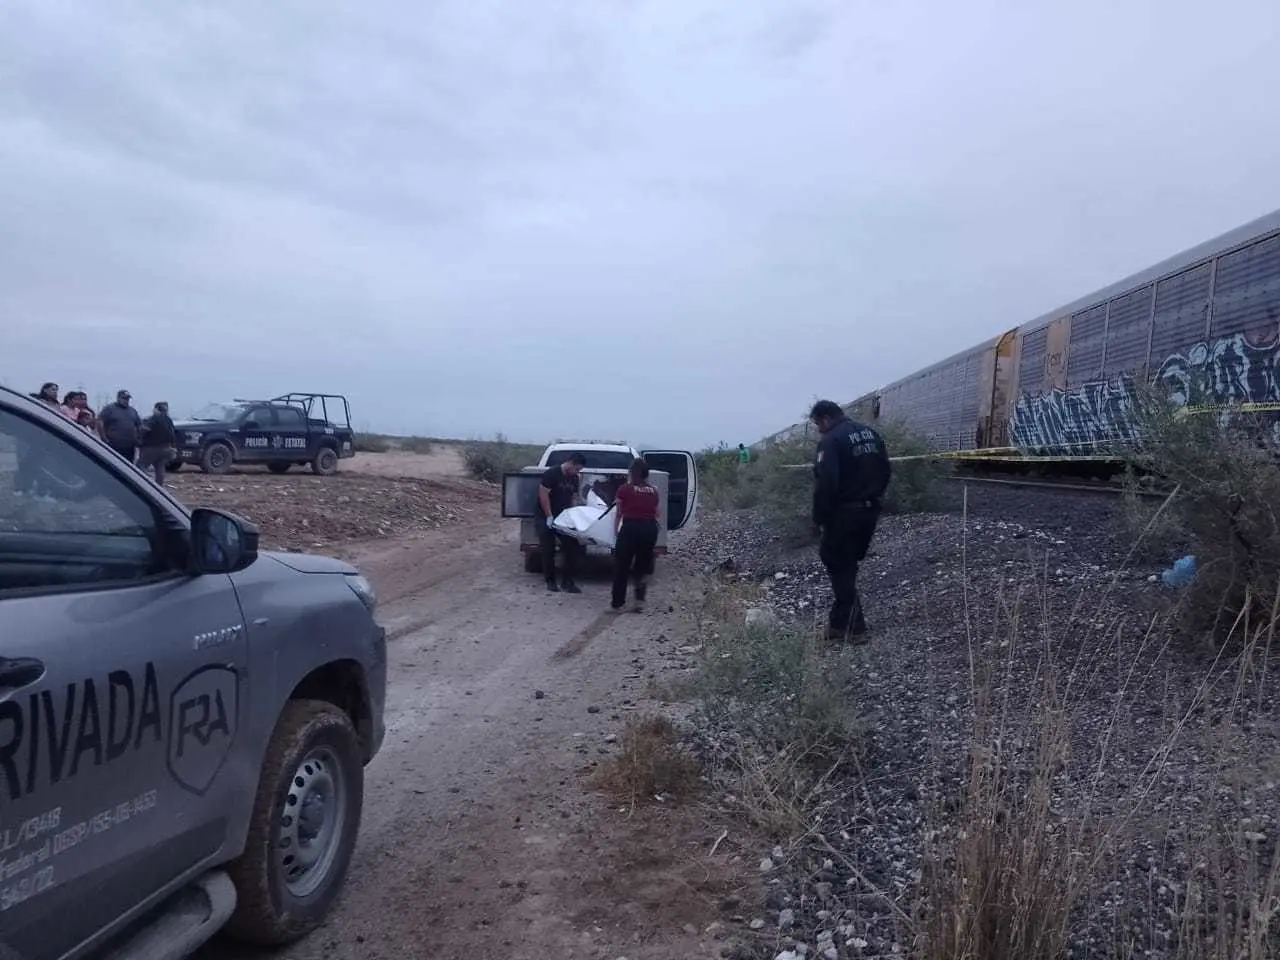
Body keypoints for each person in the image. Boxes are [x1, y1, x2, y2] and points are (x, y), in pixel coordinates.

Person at [809, 399, 892, 644]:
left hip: (843, 514)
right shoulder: (871, 434)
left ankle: (856, 628)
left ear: (825, 418)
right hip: (869, 511)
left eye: (817, 424)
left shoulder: (831, 440)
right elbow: (886, 470)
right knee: (847, 567)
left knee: (837, 564)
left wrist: (818, 519)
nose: (818, 429)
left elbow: (827, 484)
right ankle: (837, 624)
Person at [610, 457, 661, 613]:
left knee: (622, 566)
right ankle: (639, 601)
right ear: (646, 474)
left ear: (632, 473)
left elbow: (619, 513)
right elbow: (657, 513)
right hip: (649, 529)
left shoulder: (624, 489)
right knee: (642, 566)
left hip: (631, 528)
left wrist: (615, 532)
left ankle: (618, 603)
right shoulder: (654, 490)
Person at [537, 452, 587, 593]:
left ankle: (567, 582)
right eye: (577, 469)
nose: (577, 472)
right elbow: (543, 495)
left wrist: (574, 513)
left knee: (572, 546)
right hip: (545, 515)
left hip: (563, 517)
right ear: (570, 463)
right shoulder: (552, 474)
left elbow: (573, 497)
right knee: (548, 549)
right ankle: (550, 581)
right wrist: (549, 516)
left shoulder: (574, 478)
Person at [137, 401, 178, 485]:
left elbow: (145, 428)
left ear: (156, 409)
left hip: (152, 447)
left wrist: (139, 435)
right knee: (160, 467)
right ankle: (159, 486)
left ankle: (146, 482)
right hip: (167, 448)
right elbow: (173, 434)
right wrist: (174, 448)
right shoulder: (168, 419)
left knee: (140, 466)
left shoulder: (155, 418)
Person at [98, 389, 142, 463]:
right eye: (124, 398)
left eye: (127, 399)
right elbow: (100, 422)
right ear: (118, 398)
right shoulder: (109, 408)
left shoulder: (132, 411)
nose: (126, 400)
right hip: (113, 444)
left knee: (128, 466)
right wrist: (104, 438)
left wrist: (138, 439)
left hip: (129, 446)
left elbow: (139, 425)